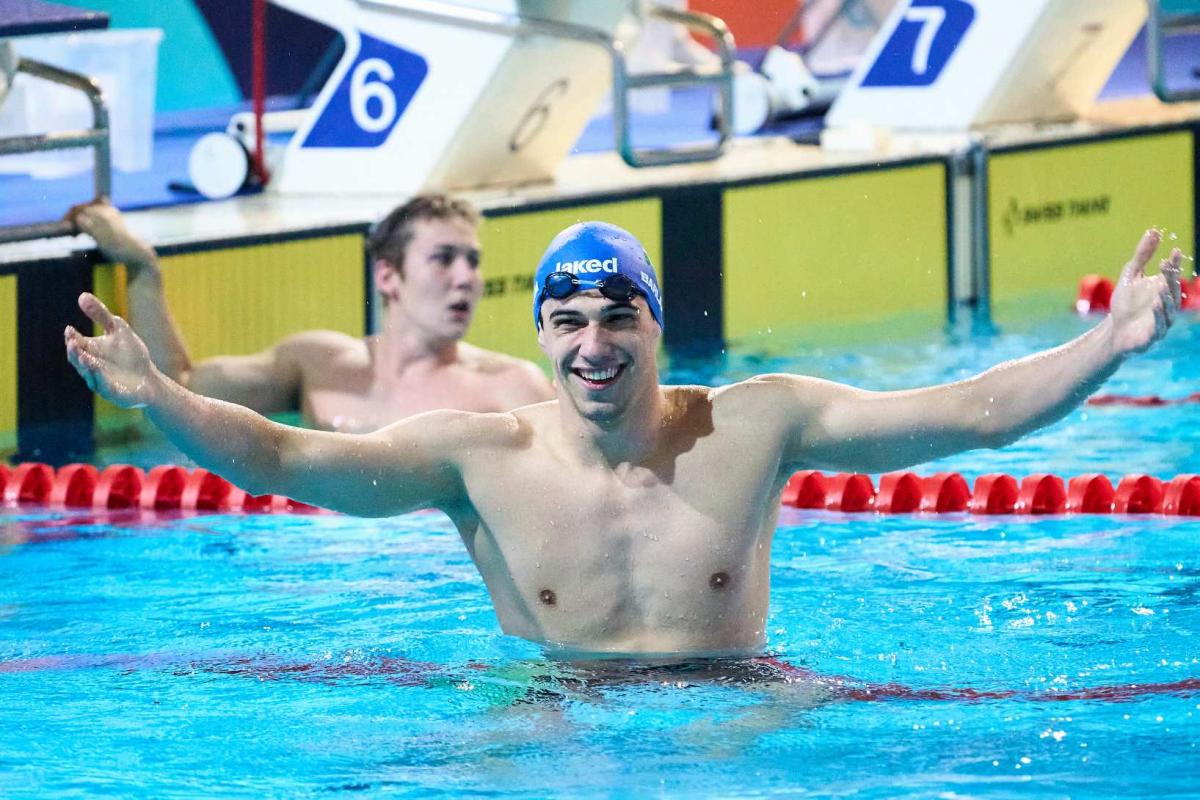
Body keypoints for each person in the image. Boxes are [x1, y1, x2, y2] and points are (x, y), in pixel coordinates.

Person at [65, 221, 1183, 658]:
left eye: (617, 317)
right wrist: (157, 394)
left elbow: (973, 410)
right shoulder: (478, 455)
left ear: (658, 322)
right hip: (552, 715)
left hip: (743, 707)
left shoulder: (759, 422)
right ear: (542, 333)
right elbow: (283, 457)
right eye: (568, 320)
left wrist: (1113, 345)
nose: (593, 344)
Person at [66, 196, 553, 432]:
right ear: (388, 276)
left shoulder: (511, 387)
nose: (466, 276)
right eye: (444, 258)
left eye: (472, 260)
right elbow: (181, 389)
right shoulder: (317, 363)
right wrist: (142, 268)